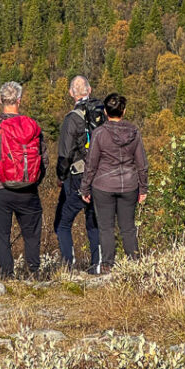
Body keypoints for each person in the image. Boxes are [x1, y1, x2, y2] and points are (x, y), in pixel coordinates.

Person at [0, 81, 48, 279]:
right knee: (32, 234)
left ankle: (7, 275)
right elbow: (44, 158)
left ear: (1, 100)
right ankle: (34, 272)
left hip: (0, 188)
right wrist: (34, 180)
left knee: (2, 235)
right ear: (19, 100)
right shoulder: (32, 126)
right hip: (28, 190)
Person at [80, 92, 148, 274]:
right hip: (129, 185)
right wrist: (143, 188)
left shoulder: (99, 133)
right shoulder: (133, 132)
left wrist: (84, 187)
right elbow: (141, 163)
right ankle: (134, 266)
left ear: (105, 112)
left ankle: (108, 266)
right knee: (128, 228)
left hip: (103, 185)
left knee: (106, 228)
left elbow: (91, 164)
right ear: (123, 111)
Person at [54, 75, 105, 273]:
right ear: (89, 89)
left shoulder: (72, 119)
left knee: (62, 223)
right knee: (94, 221)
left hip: (78, 176)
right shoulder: (102, 113)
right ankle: (98, 265)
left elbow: (65, 154)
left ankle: (68, 266)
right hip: (101, 175)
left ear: (70, 93)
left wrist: (60, 176)